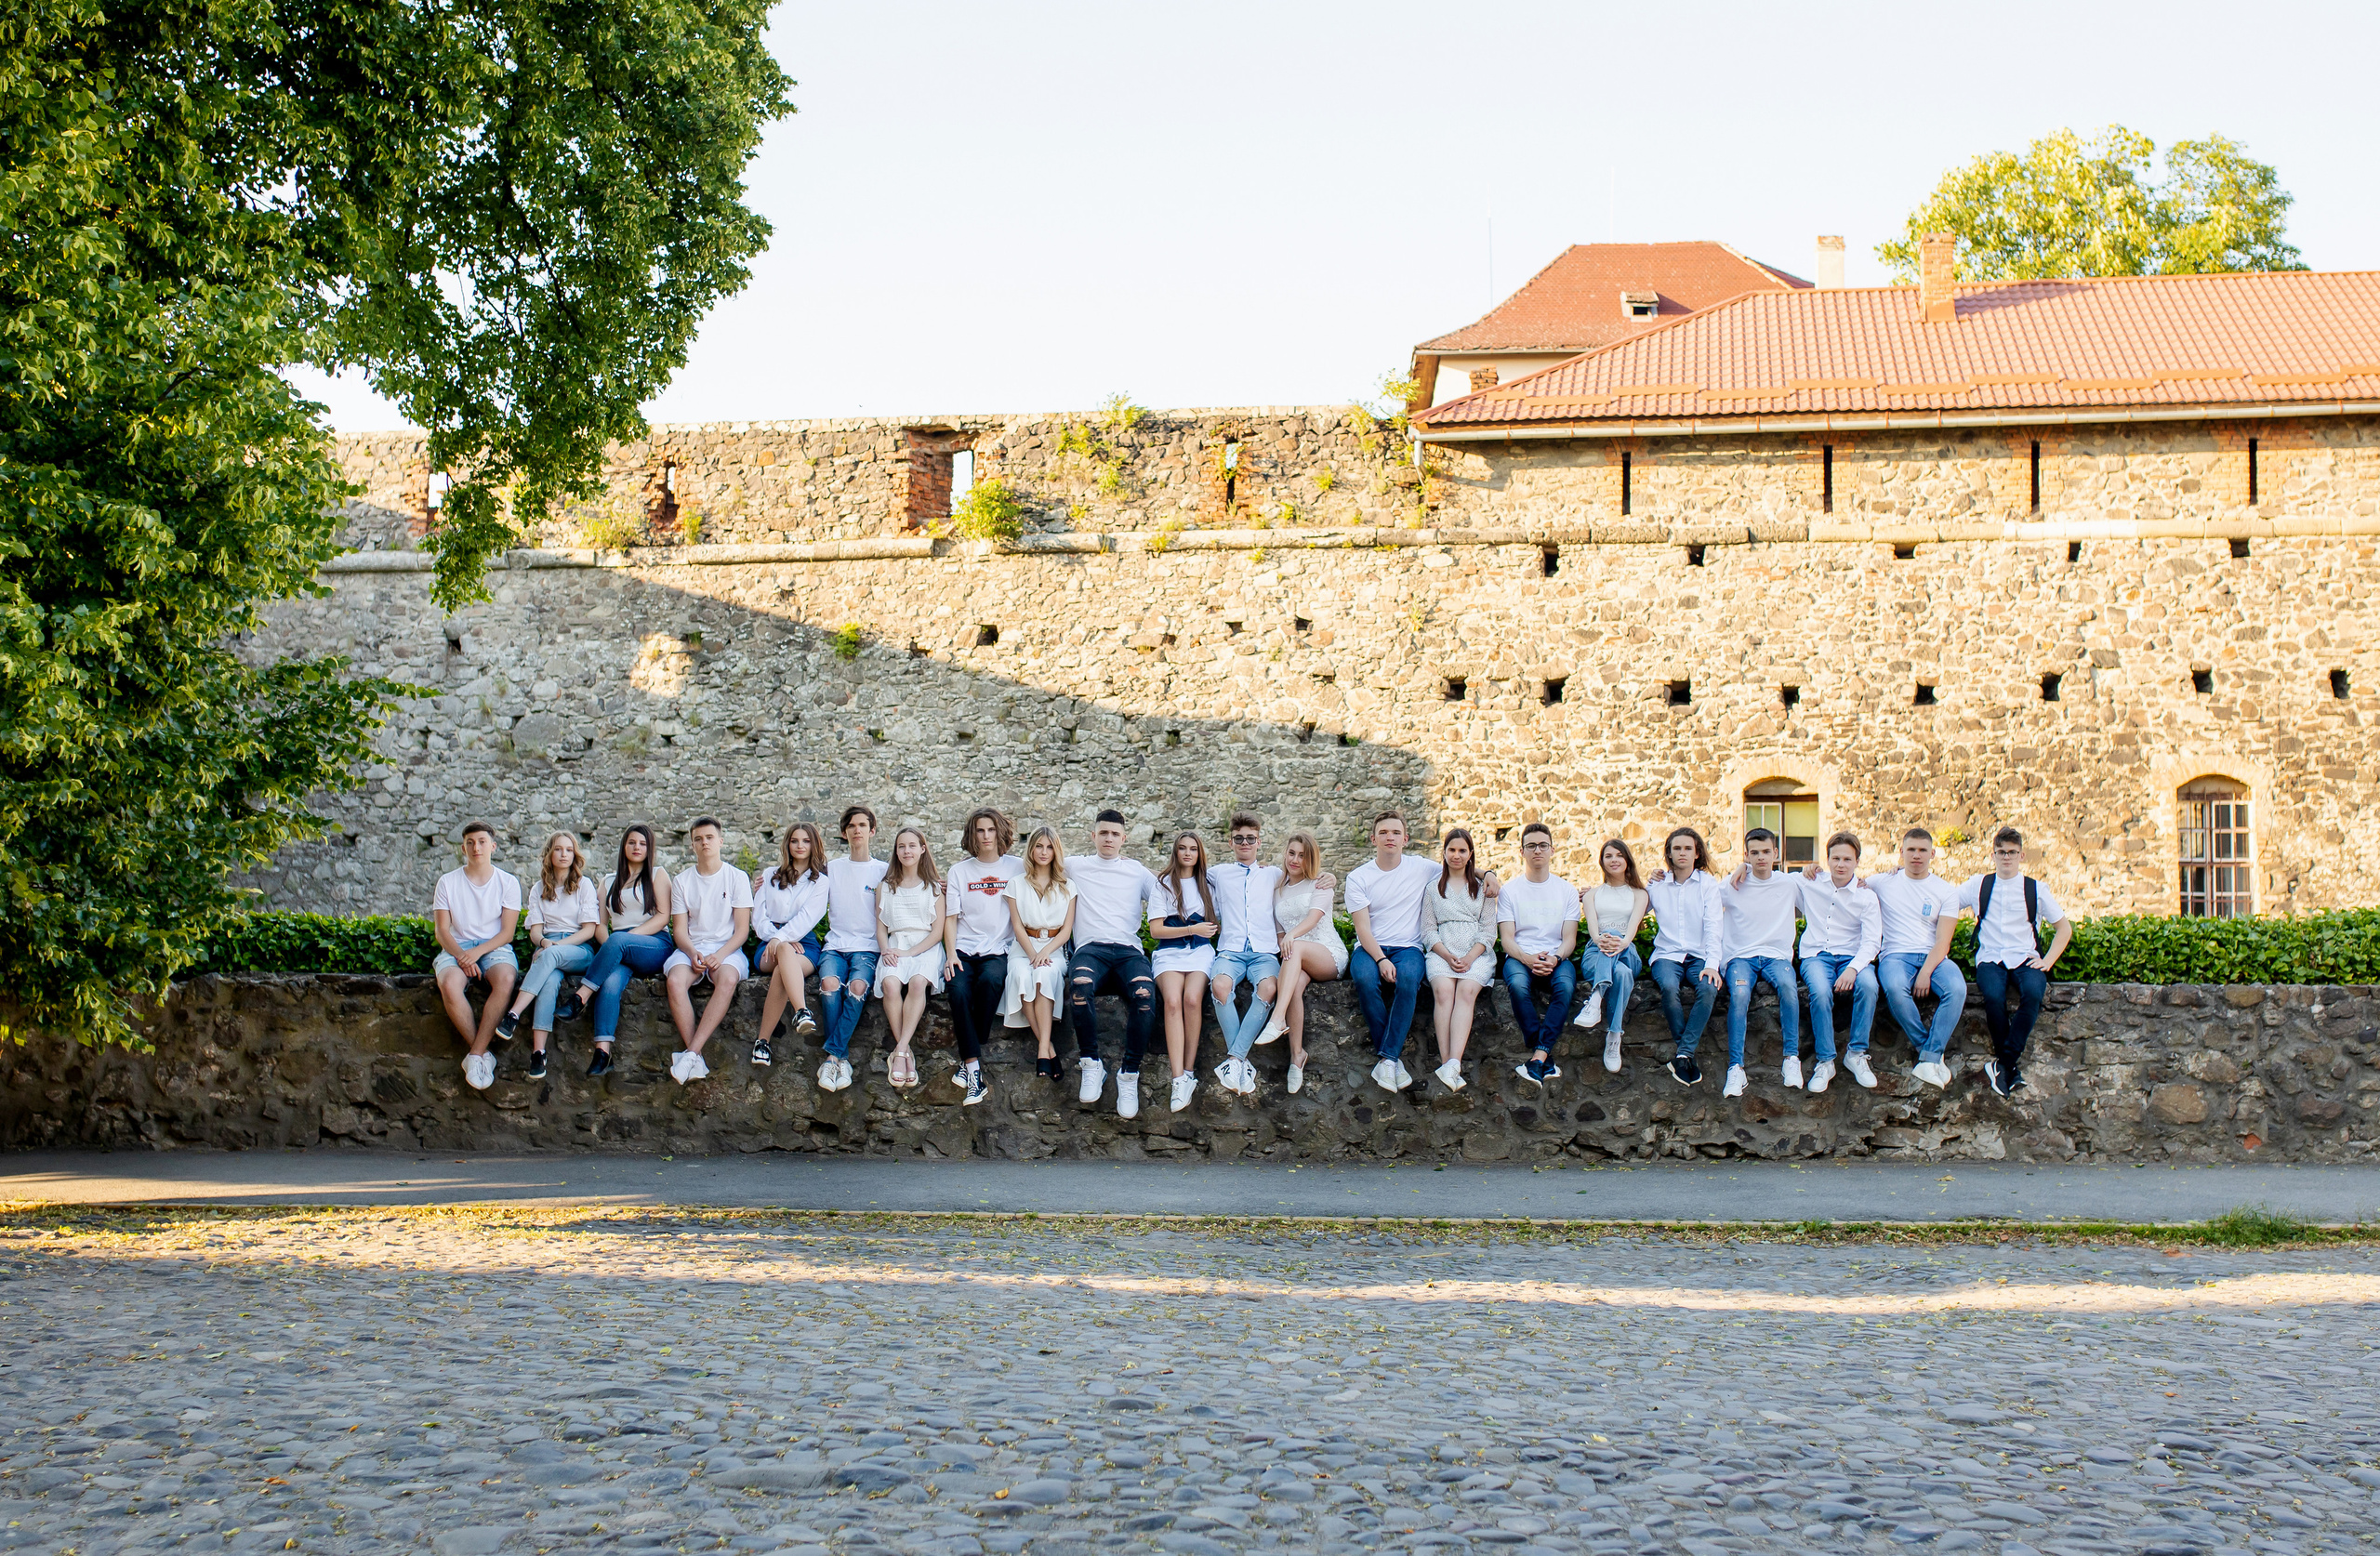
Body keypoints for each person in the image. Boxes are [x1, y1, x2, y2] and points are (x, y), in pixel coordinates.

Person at [1960, 826, 2071, 1097]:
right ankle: (2010, 1070)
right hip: (1990, 957)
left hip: (2026, 957)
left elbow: (2064, 928)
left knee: (2033, 994)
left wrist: (2047, 961)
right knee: (1993, 997)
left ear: (2021, 855)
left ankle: (2004, 1064)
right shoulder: (1978, 885)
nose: (2006, 857)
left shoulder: (2035, 889)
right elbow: (1944, 900)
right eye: (2001, 852)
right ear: (1993, 855)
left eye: (2012, 852)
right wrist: (1898, 875)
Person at [1065, 810, 1159, 1118]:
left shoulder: (1136, 871)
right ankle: (1091, 1064)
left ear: (1124, 839)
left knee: (1145, 995)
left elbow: (1173, 886)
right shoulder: (1075, 866)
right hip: (1091, 950)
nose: (1109, 838)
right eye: (1103, 833)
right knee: (1079, 986)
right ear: (1093, 836)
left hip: (1129, 952)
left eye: (1115, 834)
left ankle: (1129, 1074)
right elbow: (1033, 865)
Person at [567, 824, 674, 1077]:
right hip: (619, 948)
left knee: (619, 940)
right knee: (610, 983)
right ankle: (603, 1053)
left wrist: (625, 939)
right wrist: (613, 947)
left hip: (654, 943)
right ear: (624, 846)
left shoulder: (658, 875)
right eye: (632, 843)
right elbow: (600, 925)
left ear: (649, 848)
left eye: (643, 844)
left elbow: (663, 916)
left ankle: (580, 997)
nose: (637, 848)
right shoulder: (608, 881)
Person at [1865, 827, 1967, 1089]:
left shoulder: (1946, 891)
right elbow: (1843, 879)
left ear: (1932, 854)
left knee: (1957, 988)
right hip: (1895, 955)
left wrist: (1926, 972)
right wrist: (1812, 871)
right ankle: (1930, 1055)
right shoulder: (1882, 882)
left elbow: (1943, 941)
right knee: (1895, 988)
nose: (1916, 855)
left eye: (1923, 850)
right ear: (1901, 852)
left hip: (1934, 956)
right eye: (1911, 849)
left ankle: (1928, 1058)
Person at [494, 831, 600, 1079]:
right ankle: (538, 1053)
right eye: (558, 849)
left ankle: (513, 1014)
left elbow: (589, 931)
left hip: (579, 949)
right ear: (550, 854)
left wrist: (554, 947)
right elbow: (536, 932)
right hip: (548, 946)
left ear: (574, 855)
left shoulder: (584, 885)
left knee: (549, 957)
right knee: (549, 982)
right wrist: (544, 942)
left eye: (569, 850)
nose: (564, 854)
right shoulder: (539, 888)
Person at [1347, 811, 1437, 1093]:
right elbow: (1363, 929)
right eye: (1384, 832)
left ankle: (1387, 1060)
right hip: (1370, 947)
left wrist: (1489, 875)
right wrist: (1381, 959)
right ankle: (1392, 1060)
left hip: (1408, 947)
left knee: (1408, 980)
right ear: (1373, 839)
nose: (1390, 837)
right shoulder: (1358, 877)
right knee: (1365, 979)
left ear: (1405, 839)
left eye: (1396, 833)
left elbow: (1458, 866)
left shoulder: (1422, 867)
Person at [431, 823, 522, 1091]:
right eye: (470, 843)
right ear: (463, 848)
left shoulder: (508, 882)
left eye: (482, 841)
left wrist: (476, 953)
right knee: (449, 983)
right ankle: (480, 1055)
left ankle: (474, 1055)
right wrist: (462, 956)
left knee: (506, 979)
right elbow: (441, 930)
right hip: (457, 947)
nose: (476, 847)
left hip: (494, 947)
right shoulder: (447, 882)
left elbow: (507, 933)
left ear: (493, 846)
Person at [663, 817, 753, 1084]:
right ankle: (695, 1056)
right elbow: (679, 930)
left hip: (727, 949)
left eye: (710, 838)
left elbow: (742, 931)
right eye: (699, 839)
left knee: (728, 979)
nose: (705, 843)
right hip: (692, 948)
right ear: (692, 845)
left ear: (720, 841)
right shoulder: (682, 881)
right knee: (675, 981)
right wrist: (692, 953)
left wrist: (721, 955)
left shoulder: (737, 877)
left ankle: (690, 1053)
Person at [1254, 831, 1343, 1094]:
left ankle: (1277, 1019)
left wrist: (1292, 936)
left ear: (1310, 859)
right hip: (1297, 957)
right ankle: (1297, 1056)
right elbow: (1280, 933)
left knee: (1297, 948)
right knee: (1291, 987)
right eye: (1291, 853)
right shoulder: (1277, 890)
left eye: (1302, 856)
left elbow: (1314, 919)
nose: (1295, 860)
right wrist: (1287, 938)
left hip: (1327, 953)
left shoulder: (1320, 884)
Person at [945, 808, 1023, 1106]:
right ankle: (974, 1068)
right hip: (963, 949)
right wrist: (950, 954)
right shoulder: (959, 872)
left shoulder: (1017, 867)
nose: (986, 836)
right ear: (972, 835)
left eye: (991, 829)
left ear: (1000, 832)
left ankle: (967, 1061)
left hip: (999, 949)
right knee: (957, 990)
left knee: (991, 981)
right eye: (980, 830)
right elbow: (950, 919)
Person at [1794, 831, 1883, 1094]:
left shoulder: (1866, 896)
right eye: (1836, 858)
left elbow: (1872, 942)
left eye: (1847, 859)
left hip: (1852, 957)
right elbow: (1768, 876)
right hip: (1816, 955)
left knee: (1869, 985)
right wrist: (1743, 868)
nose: (1841, 864)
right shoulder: (1811, 882)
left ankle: (1856, 1053)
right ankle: (1825, 1061)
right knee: (1821, 991)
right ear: (1828, 859)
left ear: (1857, 861)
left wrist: (1853, 969)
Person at [1718, 828, 1803, 1098]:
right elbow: (1702, 900)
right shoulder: (1733, 884)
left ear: (1776, 853)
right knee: (1740, 994)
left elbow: (1827, 886)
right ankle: (1736, 1068)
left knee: (1789, 988)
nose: (1761, 857)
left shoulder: (1789, 883)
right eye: (1754, 853)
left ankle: (1791, 1059)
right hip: (1741, 956)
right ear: (1746, 855)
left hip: (1776, 956)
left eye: (1766, 852)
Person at [1207, 813, 1284, 1099]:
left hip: (1264, 951)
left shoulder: (1273, 874)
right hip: (1231, 950)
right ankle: (1239, 1061)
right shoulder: (1218, 873)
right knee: (1220, 986)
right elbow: (1184, 871)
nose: (1245, 843)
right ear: (1231, 842)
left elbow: (1305, 874)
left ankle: (1234, 1060)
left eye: (1251, 838)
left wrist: (1329, 876)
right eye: (1239, 838)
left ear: (1259, 842)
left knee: (1269, 988)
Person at [1499, 822, 1580, 1089]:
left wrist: (1555, 958)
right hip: (1520, 957)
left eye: (1543, 845)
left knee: (1565, 987)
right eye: (1531, 846)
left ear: (1552, 850)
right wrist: (1527, 958)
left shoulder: (1566, 890)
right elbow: (1507, 939)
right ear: (1521, 851)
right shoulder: (1510, 890)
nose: (1537, 850)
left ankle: (1537, 1057)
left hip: (1557, 957)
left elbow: (1569, 939)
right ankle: (1543, 1054)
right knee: (1517, 985)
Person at [815, 806, 889, 1094]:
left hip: (868, 948)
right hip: (835, 946)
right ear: (844, 833)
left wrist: (939, 885)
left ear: (872, 831)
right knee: (829, 984)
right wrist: (767, 880)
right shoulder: (831, 868)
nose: (857, 830)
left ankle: (832, 1057)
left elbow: (913, 884)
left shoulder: (884, 870)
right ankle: (840, 1059)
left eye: (862, 825)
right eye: (851, 826)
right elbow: (799, 886)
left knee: (858, 987)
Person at [1646, 827, 1726, 1088]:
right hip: (1666, 956)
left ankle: (1683, 1054)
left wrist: (1712, 965)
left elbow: (1714, 926)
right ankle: (1686, 1054)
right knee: (1670, 988)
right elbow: (1632, 905)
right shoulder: (1657, 885)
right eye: (1677, 848)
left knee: (1708, 987)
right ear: (1669, 853)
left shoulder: (1707, 884)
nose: (1682, 853)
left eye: (1688, 848)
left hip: (1699, 956)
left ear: (1697, 853)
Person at [873, 825, 948, 1091]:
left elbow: (937, 933)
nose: (907, 851)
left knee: (917, 983)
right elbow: (881, 928)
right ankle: (905, 1054)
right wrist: (886, 950)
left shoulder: (935, 888)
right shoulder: (885, 887)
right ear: (896, 851)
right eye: (901, 846)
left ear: (922, 849)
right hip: (895, 944)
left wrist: (909, 953)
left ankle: (900, 1052)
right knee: (890, 984)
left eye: (912, 846)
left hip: (925, 946)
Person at [1150, 831, 1220, 1113]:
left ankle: (1189, 1072)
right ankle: (1177, 1077)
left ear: (1199, 853)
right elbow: (1156, 930)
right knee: (1172, 1002)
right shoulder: (1163, 884)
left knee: (1192, 999)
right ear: (1176, 852)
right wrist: (1192, 928)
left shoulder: (1209, 883)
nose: (1188, 853)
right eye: (1182, 848)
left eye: (1193, 849)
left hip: (1200, 952)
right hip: (1169, 953)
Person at [750, 822, 830, 1068]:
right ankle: (802, 1011)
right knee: (784, 949)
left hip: (804, 942)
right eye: (795, 841)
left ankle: (762, 1043)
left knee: (781, 971)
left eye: (806, 841)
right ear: (787, 844)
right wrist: (776, 937)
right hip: (768, 941)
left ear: (814, 845)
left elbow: (809, 916)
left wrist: (783, 937)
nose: (800, 846)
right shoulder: (768, 875)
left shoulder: (821, 882)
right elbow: (758, 917)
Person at [999, 825, 1078, 1080]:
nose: (1044, 852)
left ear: (1056, 851)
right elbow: (1017, 926)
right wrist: (1033, 953)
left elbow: (1066, 931)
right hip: (1023, 949)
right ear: (1031, 849)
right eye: (1039, 846)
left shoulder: (1068, 886)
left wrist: (1045, 952)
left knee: (1044, 975)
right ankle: (1049, 1049)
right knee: (1021, 976)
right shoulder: (1016, 884)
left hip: (1054, 949)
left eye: (1049, 847)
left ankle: (1043, 1049)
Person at [1421, 828, 1495, 1091]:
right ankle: (1447, 1063)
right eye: (1451, 850)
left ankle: (1455, 1061)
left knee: (1465, 992)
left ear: (1470, 854)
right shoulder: (1432, 888)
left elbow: (1489, 930)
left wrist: (1470, 957)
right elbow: (1428, 930)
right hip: (1442, 950)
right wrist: (1446, 954)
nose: (1456, 855)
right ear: (1443, 853)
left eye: (1462, 850)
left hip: (1476, 953)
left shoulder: (1483, 888)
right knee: (1443, 992)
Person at [1575, 839, 1650, 1075]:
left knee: (1619, 947)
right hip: (1596, 954)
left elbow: (1631, 930)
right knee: (1622, 974)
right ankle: (1614, 1036)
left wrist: (1620, 942)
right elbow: (1594, 931)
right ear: (1602, 861)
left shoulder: (1640, 894)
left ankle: (1595, 1000)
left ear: (1627, 860)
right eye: (1608, 856)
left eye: (1619, 855)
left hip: (1627, 952)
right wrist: (1602, 940)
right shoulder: (1592, 895)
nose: (1614, 860)